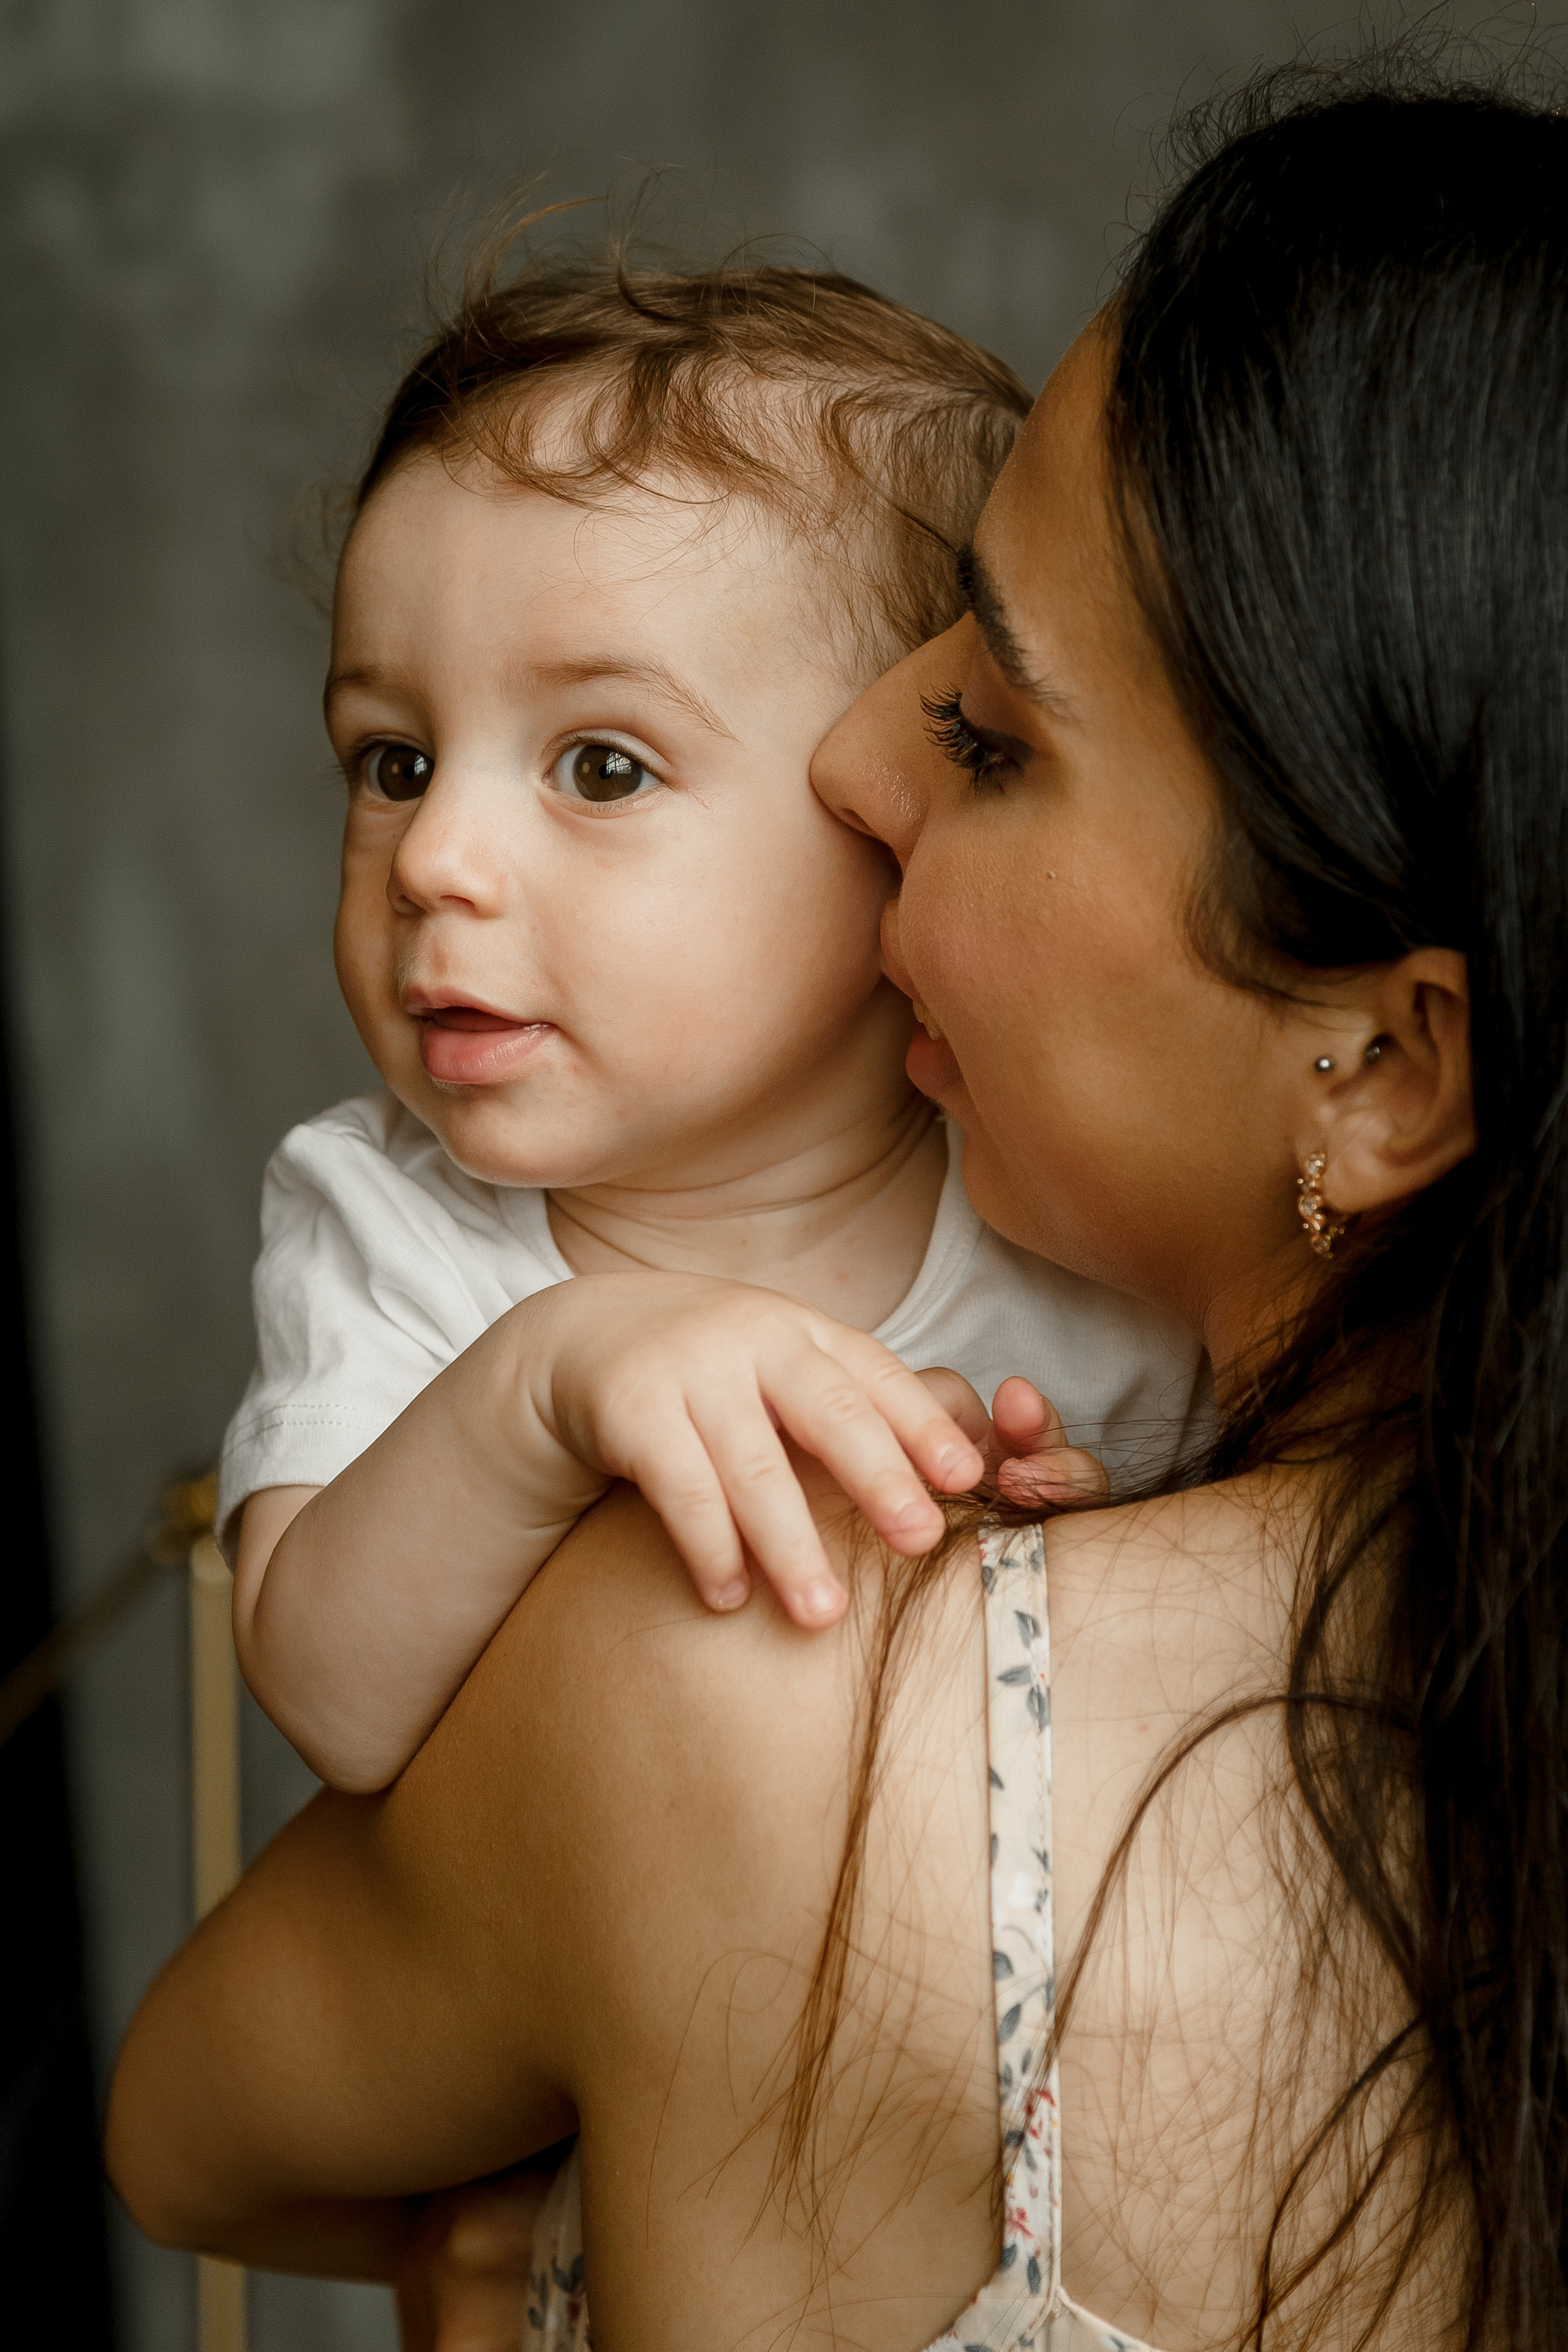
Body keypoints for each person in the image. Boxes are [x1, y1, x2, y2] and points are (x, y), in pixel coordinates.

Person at [108, 53, 1568, 2352]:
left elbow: (192, 2126)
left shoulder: (742, 1688)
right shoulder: (433, 1237)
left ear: (1390, 1062)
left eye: (989, 736)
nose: (861, 774)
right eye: (385, 763)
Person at [221, 257, 1205, 1796]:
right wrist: (541, 1390)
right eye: (393, 762)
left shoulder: (1072, 1222)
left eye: (600, 768)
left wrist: (1092, 1551)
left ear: (893, 803)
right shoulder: (402, 1233)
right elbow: (330, 1701)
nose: (429, 861)